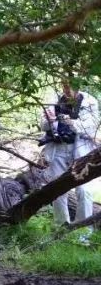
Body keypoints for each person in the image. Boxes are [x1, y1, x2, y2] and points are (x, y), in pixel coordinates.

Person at [39, 79, 98, 242]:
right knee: (57, 189)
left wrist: (69, 121)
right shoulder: (54, 99)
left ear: (78, 84)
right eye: (64, 85)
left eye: (70, 85)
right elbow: (43, 125)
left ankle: (83, 234)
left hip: (80, 150)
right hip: (58, 148)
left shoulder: (90, 101)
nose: (67, 89)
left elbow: (90, 128)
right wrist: (51, 120)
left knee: (84, 190)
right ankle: (61, 231)